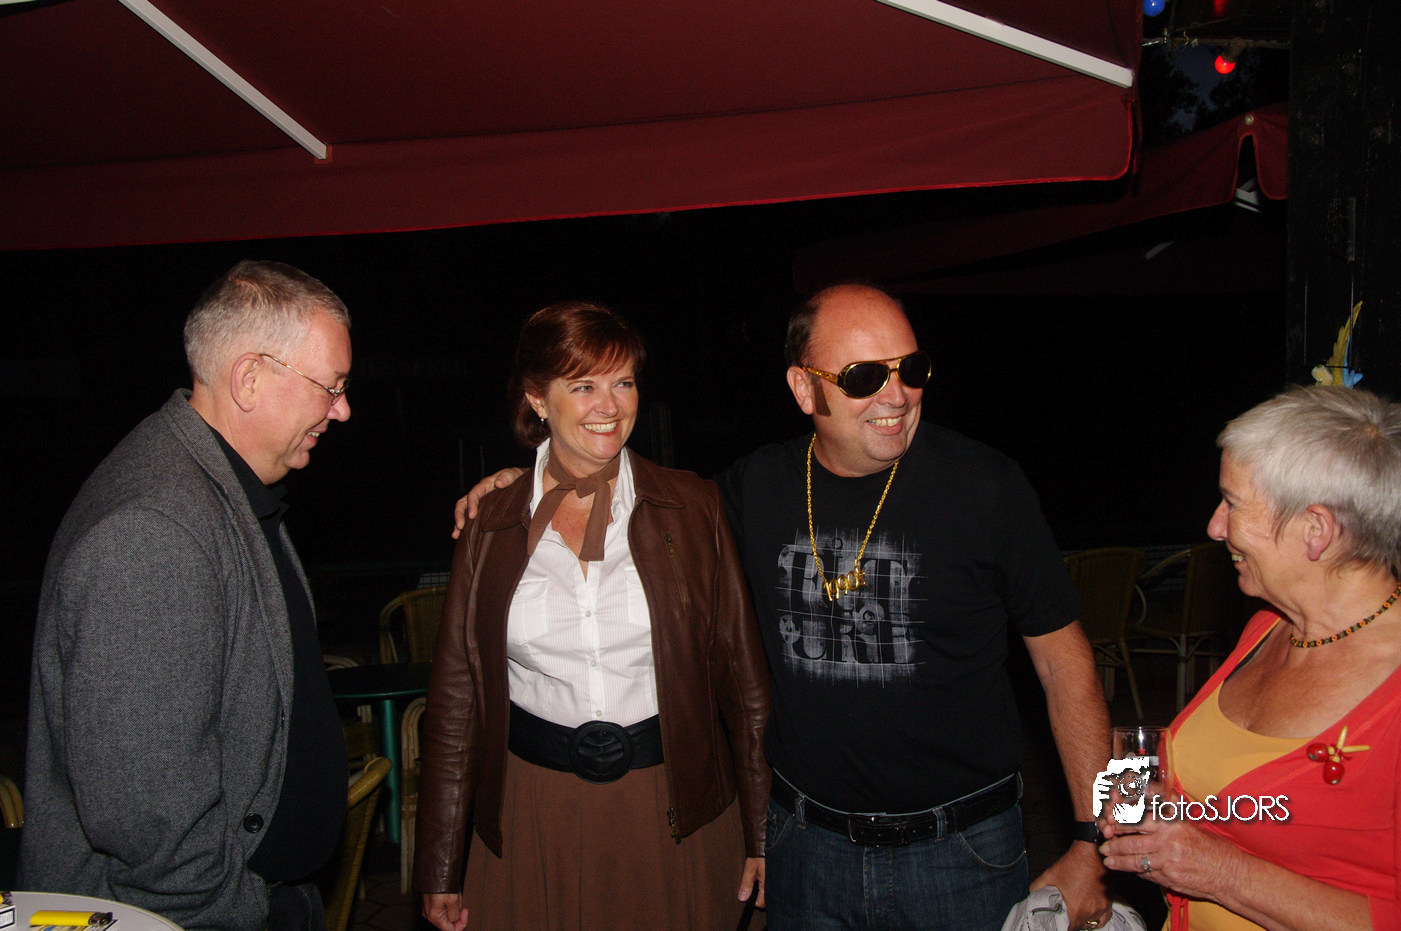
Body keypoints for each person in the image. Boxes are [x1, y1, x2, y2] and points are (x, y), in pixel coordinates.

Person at [458, 284, 1114, 930]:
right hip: (804, 850)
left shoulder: (987, 487)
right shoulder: (755, 488)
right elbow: (643, 500)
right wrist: (535, 480)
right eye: (864, 376)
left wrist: (1098, 846)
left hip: (962, 853)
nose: (896, 395)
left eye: (910, 369)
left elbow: (1067, 666)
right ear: (804, 389)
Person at [414, 301, 771, 931]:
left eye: (623, 382)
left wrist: (763, 831)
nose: (609, 405)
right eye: (583, 386)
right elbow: (455, 702)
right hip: (534, 808)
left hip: (672, 803)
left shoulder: (693, 507)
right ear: (538, 398)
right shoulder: (489, 524)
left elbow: (746, 689)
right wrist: (439, 862)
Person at [21, 261, 354, 931]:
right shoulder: (153, 530)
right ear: (249, 378)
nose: (342, 410)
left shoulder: (220, 488)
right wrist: (239, 909)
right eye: (331, 386)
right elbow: (149, 819)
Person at [1099, 385, 1401, 930]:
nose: (1215, 527)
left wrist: (1221, 872)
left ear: (1316, 530)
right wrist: (1167, 807)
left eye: (1233, 504)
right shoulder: (1269, 628)